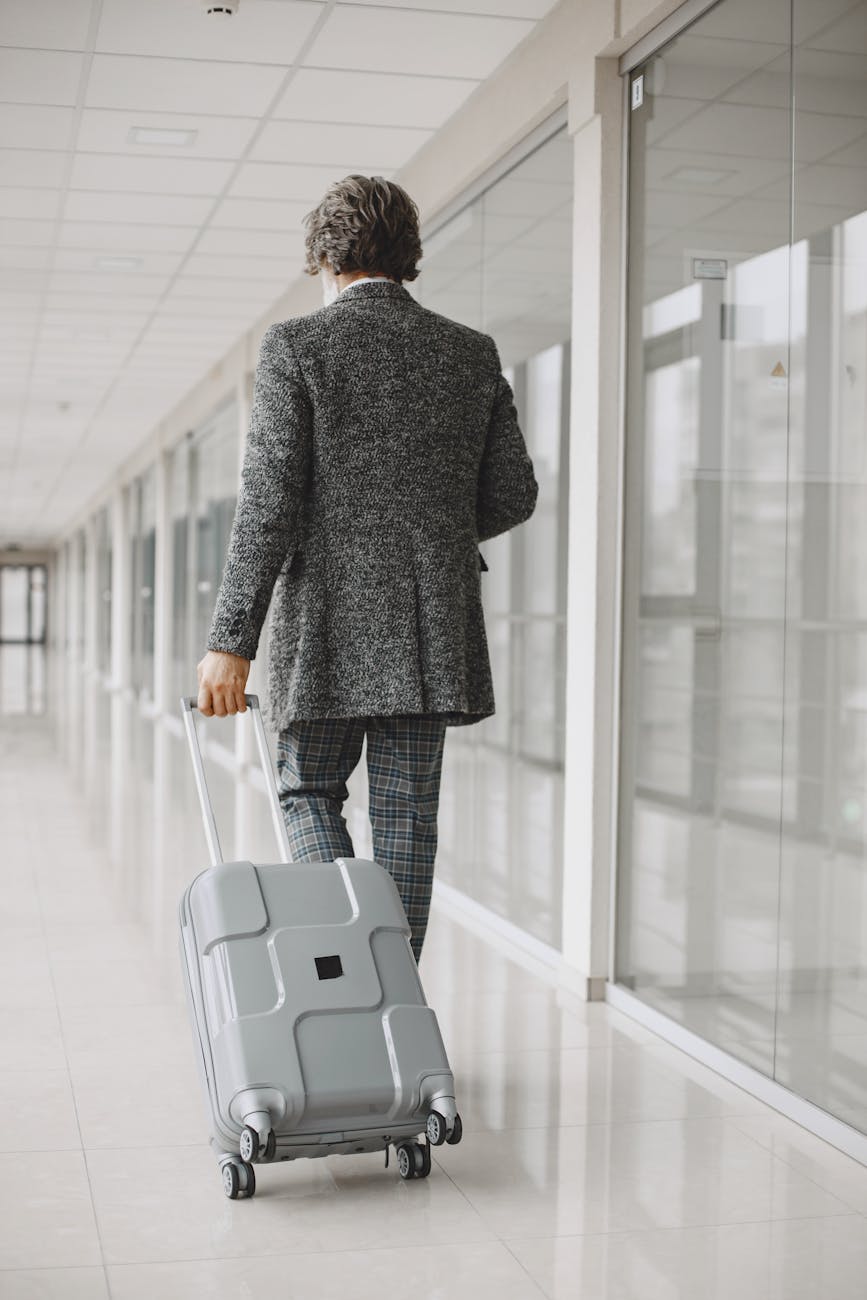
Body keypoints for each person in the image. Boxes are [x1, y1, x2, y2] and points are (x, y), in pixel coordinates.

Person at [196, 173, 537, 962]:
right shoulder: (468, 352)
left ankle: (352, 971)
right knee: (408, 817)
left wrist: (231, 639)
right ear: (408, 254)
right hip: (430, 625)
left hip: (325, 624)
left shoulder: (296, 346)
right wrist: (431, 538)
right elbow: (513, 493)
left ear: (324, 256)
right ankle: (397, 1013)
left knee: (306, 790)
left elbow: (270, 502)